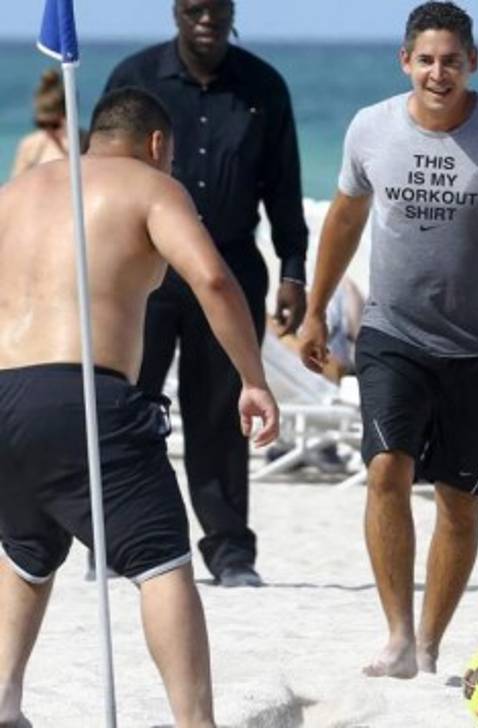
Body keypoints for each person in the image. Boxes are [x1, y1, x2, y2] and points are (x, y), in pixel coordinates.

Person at [297, 2, 478, 679]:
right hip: (393, 332)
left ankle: (430, 641)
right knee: (386, 469)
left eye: (451, 59)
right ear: (405, 62)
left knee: (458, 499)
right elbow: (343, 219)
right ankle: (396, 636)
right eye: (426, 59)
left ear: (472, 62)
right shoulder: (371, 129)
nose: (438, 72)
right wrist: (312, 311)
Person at [0, 88, 279, 728]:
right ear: (158, 145)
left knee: (26, 549)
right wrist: (253, 378)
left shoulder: (16, 193)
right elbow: (212, 278)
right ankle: (193, 722)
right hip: (86, 397)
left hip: (6, 393)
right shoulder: (150, 187)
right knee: (162, 561)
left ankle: (5, 702)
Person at [102, 0, 309, 587]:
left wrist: (292, 268)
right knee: (128, 404)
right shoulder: (134, 80)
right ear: (176, 11)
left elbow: (285, 185)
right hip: (144, 268)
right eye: (194, 8)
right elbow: (98, 175)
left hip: (232, 267)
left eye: (217, 8)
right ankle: (116, 541)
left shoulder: (263, 86)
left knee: (221, 412)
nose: (206, 18)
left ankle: (229, 552)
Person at [8, 69, 83, 180]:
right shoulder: (30, 144)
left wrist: (62, 148)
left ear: (67, 116)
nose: (48, 130)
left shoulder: (81, 140)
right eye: (41, 124)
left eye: (54, 125)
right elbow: (14, 184)